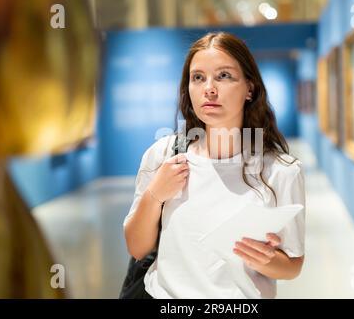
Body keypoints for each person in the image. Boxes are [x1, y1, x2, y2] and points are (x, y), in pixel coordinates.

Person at [123, 32, 305, 299]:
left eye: (224, 76)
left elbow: (293, 266)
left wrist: (265, 260)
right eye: (198, 77)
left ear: (249, 89)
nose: (209, 88)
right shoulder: (163, 155)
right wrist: (154, 196)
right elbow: (137, 248)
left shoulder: (281, 170)